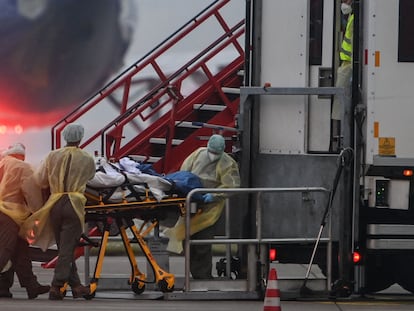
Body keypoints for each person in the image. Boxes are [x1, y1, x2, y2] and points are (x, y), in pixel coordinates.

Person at [21, 123, 96, 300]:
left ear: (65, 137)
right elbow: (91, 176)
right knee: (67, 249)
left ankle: (77, 286)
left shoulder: (52, 156)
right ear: (80, 137)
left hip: (54, 203)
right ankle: (57, 285)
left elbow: (40, 180)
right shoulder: (86, 157)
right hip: (74, 204)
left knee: (64, 247)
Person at [164, 134, 240, 279]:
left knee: (203, 243)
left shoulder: (227, 163)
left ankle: (203, 276)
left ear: (222, 151)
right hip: (192, 200)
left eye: (216, 153)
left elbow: (232, 185)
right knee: (189, 241)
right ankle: (197, 274)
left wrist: (213, 195)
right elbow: (185, 173)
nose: (213, 156)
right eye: (211, 152)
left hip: (209, 208)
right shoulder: (198, 154)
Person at [0, 143, 50, 299]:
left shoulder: (2, 163)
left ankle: (30, 286)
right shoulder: (23, 167)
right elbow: (31, 193)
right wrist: (39, 212)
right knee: (5, 251)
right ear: (22, 155)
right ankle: (27, 285)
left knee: (20, 250)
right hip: (11, 214)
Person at [332, 0, 354, 147]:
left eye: (346, 0)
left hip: (349, 65)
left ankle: (342, 141)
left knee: (341, 104)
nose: (344, 3)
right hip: (347, 64)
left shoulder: (353, 19)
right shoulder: (352, 17)